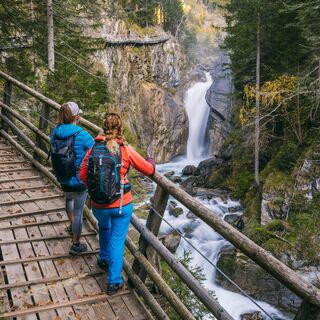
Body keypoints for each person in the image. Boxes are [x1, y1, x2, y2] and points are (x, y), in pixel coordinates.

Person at [80, 113, 155, 295]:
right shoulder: (125, 149)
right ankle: (114, 280)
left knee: (104, 228)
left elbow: (82, 175)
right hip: (121, 204)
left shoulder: (94, 147)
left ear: (103, 127)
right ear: (120, 129)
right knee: (118, 239)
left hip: (99, 204)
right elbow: (148, 169)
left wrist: (98, 189)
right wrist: (151, 161)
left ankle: (103, 258)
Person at [50, 102, 94, 255]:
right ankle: (75, 244)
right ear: (77, 117)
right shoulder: (81, 134)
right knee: (78, 212)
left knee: (69, 200)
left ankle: (71, 226)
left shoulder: (55, 132)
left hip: (63, 177)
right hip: (79, 179)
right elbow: (95, 150)